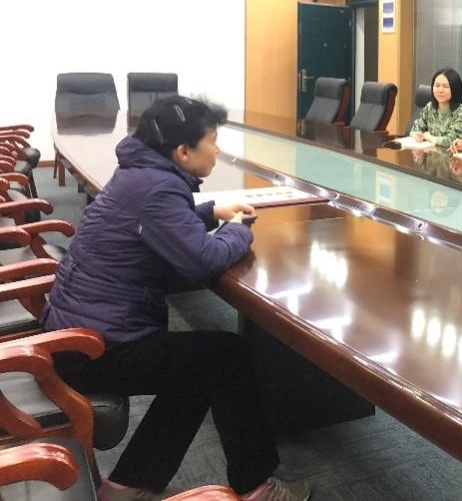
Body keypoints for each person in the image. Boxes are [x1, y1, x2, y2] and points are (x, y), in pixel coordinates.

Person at [42, 96, 309, 501]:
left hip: (77, 336)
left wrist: (210, 212)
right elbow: (204, 260)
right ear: (184, 151)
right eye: (212, 141)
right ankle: (258, 487)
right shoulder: (159, 188)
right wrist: (239, 228)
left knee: (198, 364)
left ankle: (130, 485)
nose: (217, 150)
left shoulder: (141, 174)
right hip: (95, 349)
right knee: (225, 357)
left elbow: (156, 224)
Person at [409, 68, 462, 147]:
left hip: (455, 154)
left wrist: (429, 137)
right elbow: (415, 128)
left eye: (445, 86)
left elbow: (451, 141)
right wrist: (416, 135)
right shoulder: (430, 107)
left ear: (455, 89)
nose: (440, 90)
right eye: (437, 85)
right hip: (432, 152)